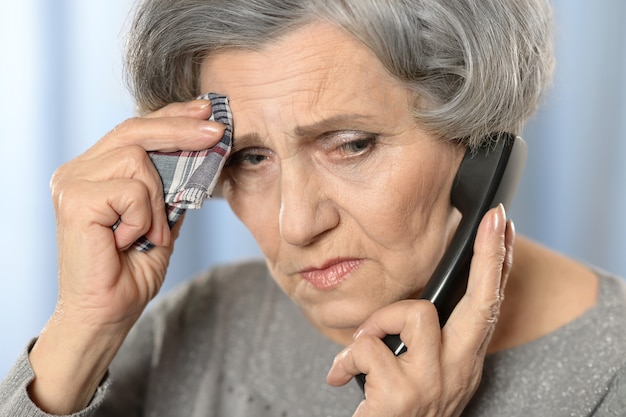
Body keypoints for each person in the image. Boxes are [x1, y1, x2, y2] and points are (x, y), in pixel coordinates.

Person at [1, 0, 625, 416]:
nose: (295, 225)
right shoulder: (204, 323)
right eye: (249, 158)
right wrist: (83, 331)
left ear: (478, 146)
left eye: (351, 144)